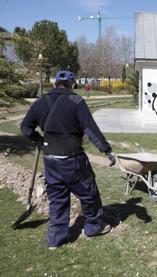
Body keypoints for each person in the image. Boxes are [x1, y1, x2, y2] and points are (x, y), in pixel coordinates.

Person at [20, 70, 116, 249]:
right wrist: (107, 150)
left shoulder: (41, 101)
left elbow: (25, 127)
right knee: (89, 193)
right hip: (72, 159)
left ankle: (56, 239)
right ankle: (94, 227)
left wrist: (39, 140)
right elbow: (90, 130)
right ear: (71, 84)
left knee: (57, 198)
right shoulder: (76, 101)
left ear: (55, 84)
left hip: (50, 160)